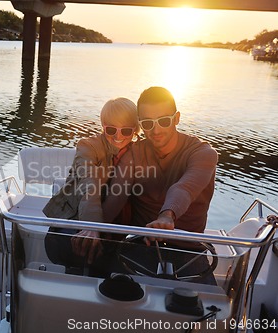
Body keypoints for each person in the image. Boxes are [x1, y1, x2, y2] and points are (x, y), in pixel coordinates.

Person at [95, 86, 219, 283]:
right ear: (140, 125)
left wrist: (167, 215)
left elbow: (184, 188)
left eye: (164, 121)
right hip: (140, 244)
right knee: (109, 292)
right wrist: (93, 229)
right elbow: (116, 197)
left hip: (188, 249)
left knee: (206, 308)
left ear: (176, 118)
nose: (156, 130)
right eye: (147, 123)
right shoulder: (134, 153)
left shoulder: (203, 154)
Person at [43, 97, 139, 274]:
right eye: (111, 129)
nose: (118, 136)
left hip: (114, 230)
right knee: (85, 249)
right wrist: (92, 227)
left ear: (135, 130)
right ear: (102, 125)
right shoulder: (88, 146)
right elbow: (89, 184)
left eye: (125, 130)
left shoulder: (138, 152)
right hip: (73, 221)